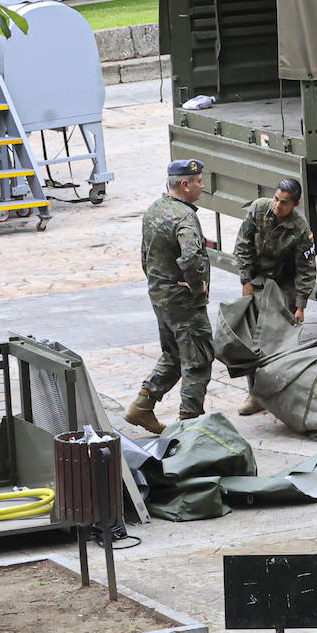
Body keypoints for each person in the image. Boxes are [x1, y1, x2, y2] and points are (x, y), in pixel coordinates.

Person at [125, 159, 213, 433]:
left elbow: (145, 255)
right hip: (183, 301)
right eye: (198, 181)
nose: (202, 186)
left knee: (174, 353)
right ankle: (191, 425)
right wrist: (198, 288)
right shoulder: (184, 217)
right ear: (185, 185)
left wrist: (159, 283)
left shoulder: (154, 210)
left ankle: (143, 404)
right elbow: (190, 257)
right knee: (198, 358)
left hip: (160, 294)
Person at [233, 178, 317, 416]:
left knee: (282, 338)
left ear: (296, 204)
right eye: (276, 199)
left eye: (285, 203)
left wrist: (300, 304)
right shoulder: (259, 208)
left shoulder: (301, 229)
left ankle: (285, 391)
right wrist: (246, 281)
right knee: (254, 338)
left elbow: (306, 269)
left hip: (285, 282)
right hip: (258, 277)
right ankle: (255, 394)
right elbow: (243, 245)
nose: (278, 206)